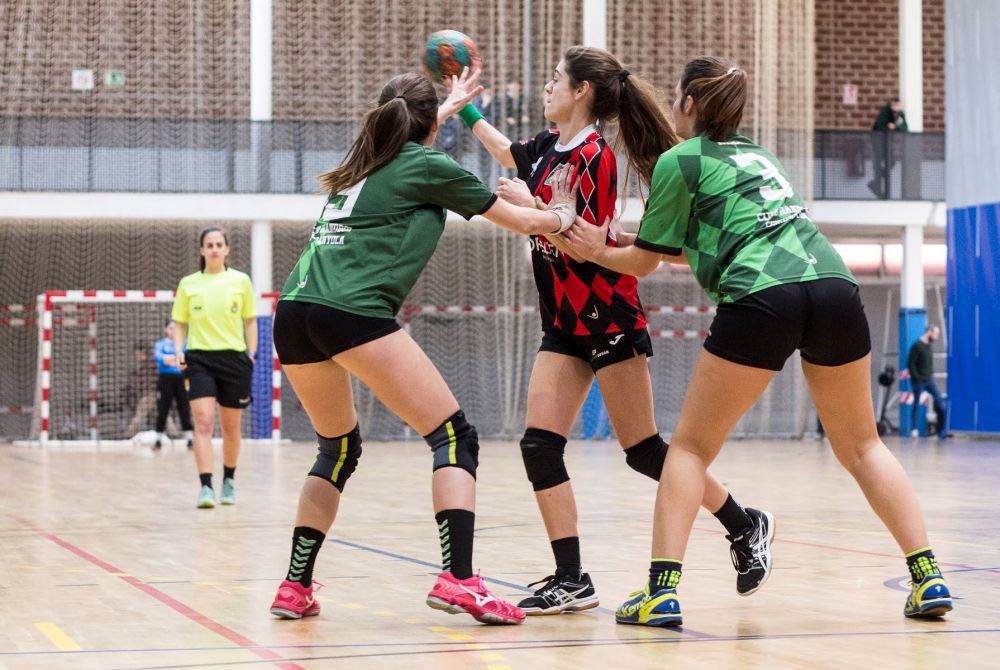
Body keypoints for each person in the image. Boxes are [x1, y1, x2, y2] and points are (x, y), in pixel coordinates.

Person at [562, 56, 953, 626]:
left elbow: (644, 262)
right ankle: (928, 576)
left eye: (677, 97)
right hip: (834, 286)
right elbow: (697, 237)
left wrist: (595, 250)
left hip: (763, 295)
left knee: (691, 450)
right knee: (864, 447)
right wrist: (623, 240)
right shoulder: (760, 156)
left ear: (690, 105)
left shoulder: (680, 160)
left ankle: (661, 591)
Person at [455, 46, 773, 616]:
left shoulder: (595, 156)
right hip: (563, 324)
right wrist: (466, 110)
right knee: (539, 447)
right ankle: (572, 577)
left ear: (581, 91)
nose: (546, 87)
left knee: (646, 451)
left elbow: (583, 236)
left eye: (556, 79)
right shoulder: (550, 147)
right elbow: (507, 152)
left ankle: (744, 524)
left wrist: (533, 207)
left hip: (607, 316)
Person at [267, 69, 585, 625]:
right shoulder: (427, 166)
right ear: (425, 124)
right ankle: (458, 579)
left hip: (295, 311)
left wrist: (446, 107)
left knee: (336, 449)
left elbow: (407, 130)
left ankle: (295, 587)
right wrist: (561, 213)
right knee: (454, 436)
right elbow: (518, 221)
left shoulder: (363, 162)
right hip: (351, 312)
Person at [171, 227, 257, 509]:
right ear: (202, 250)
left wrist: (252, 353)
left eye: (219, 244)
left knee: (231, 427)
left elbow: (250, 320)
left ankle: (228, 481)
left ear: (227, 249)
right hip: (199, 360)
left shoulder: (241, 281)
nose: (215, 249)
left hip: (234, 359)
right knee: (204, 421)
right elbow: (179, 323)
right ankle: (206, 487)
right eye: (209, 245)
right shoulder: (188, 284)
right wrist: (178, 351)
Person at [152, 320, 194, 450]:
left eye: (176, 328)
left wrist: (170, 359)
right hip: (165, 380)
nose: (174, 331)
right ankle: (158, 439)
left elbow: (187, 359)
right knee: (163, 409)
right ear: (166, 330)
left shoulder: (185, 343)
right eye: (171, 328)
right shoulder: (160, 344)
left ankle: (190, 439)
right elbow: (159, 359)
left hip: (181, 379)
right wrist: (177, 358)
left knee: (184, 408)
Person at [907, 325, 947, 438]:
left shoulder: (929, 346)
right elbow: (911, 364)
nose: (937, 337)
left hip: (929, 380)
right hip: (919, 380)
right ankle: (914, 428)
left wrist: (930, 375)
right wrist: (916, 377)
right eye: (936, 334)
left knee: (940, 403)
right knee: (916, 404)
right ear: (930, 332)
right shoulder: (917, 346)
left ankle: (941, 430)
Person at [868, 97, 908, 197]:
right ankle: (878, 186)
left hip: (888, 143)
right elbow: (880, 126)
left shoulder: (900, 114)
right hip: (878, 142)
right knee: (877, 164)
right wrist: (888, 127)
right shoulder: (885, 112)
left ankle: (881, 176)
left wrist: (896, 127)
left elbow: (905, 127)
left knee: (892, 161)